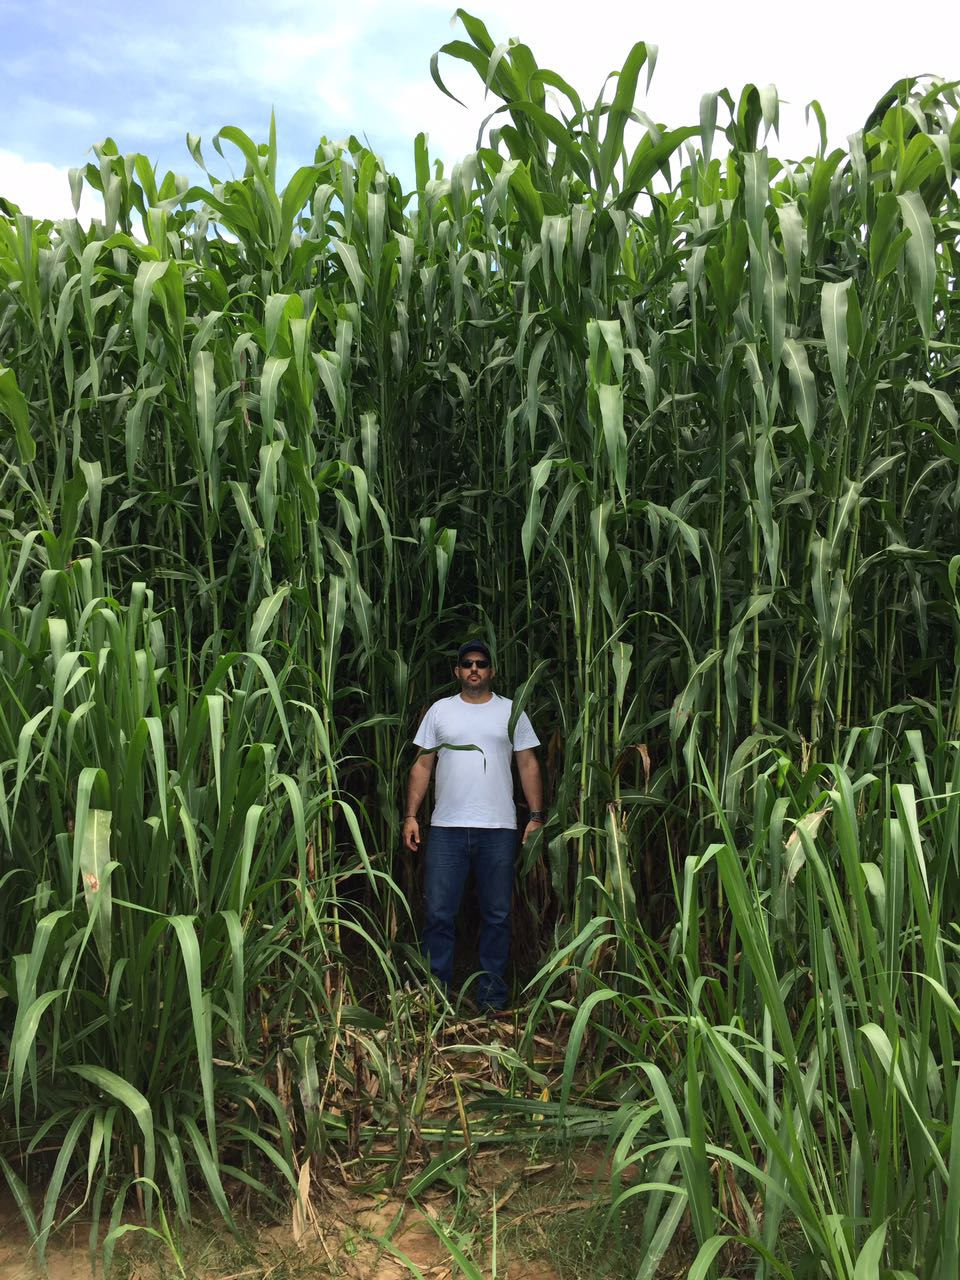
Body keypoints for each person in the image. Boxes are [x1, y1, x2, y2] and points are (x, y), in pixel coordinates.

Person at [402, 640, 545, 1010]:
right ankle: (435, 995)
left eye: (481, 663)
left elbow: (528, 764)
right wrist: (411, 815)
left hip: (498, 829)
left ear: (491, 671)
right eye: (467, 663)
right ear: (458, 671)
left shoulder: (511, 711)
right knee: (438, 913)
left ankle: (492, 998)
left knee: (497, 915)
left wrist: (535, 816)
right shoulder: (440, 711)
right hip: (447, 829)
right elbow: (422, 765)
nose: (474, 669)